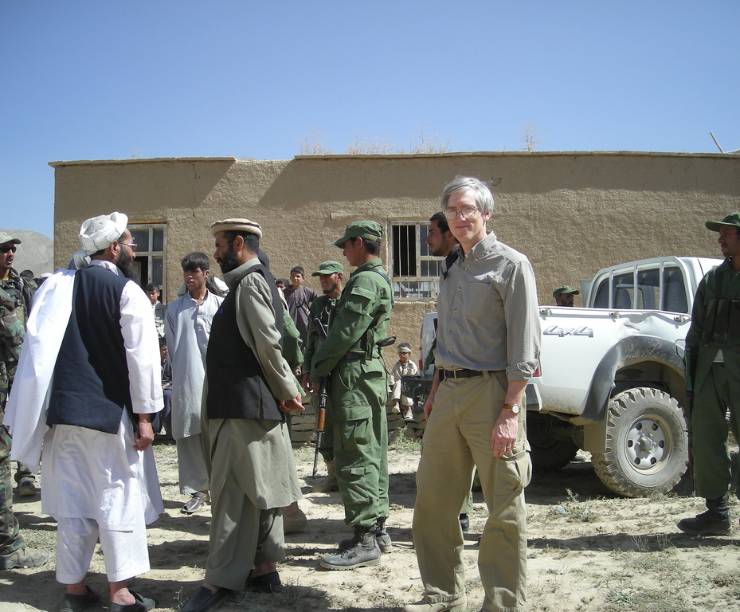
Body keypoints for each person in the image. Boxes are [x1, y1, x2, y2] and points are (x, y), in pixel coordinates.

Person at [4, 212, 163, 611]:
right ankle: (120, 591)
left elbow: (37, 354)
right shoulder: (127, 292)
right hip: (108, 420)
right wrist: (145, 417)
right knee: (117, 499)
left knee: (73, 505)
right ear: (113, 248)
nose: (134, 248)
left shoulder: (56, 287)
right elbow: (141, 361)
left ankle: (75, 590)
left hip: (63, 419)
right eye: (129, 241)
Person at [405, 177, 541, 612]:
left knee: (502, 506)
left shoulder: (511, 265)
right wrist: (435, 391)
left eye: (467, 209)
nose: (459, 217)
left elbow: (525, 346)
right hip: (449, 393)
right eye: (452, 210)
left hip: (493, 393)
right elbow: (448, 338)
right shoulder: (454, 267)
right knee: (434, 501)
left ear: (486, 214)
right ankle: (442, 595)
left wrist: (510, 409)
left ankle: (502, 604)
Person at [181, 218, 303, 612]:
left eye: (218, 245)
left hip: (241, 408)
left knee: (232, 494)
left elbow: (268, 343)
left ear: (238, 242)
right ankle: (263, 568)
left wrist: (288, 390)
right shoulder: (250, 281)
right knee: (258, 489)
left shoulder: (250, 283)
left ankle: (219, 581)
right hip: (247, 406)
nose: (214, 253)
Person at [310, 221, 394, 570]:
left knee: (355, 453)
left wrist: (318, 366)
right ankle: (376, 530)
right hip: (365, 374)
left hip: (353, 378)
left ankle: (365, 540)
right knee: (372, 451)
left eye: (347, 245)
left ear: (361, 243)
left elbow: (344, 332)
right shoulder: (377, 278)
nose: (344, 251)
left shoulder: (365, 280)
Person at [678, 211, 740, 536]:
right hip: (709, 370)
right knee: (705, 437)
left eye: (727, 234)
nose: (720, 239)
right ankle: (717, 513)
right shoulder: (714, 280)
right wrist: (691, 377)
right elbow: (696, 328)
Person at [165, 252, 224, 515]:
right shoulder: (175, 309)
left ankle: (221, 489)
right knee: (189, 435)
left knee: (218, 436)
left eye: (195, 272)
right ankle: (197, 490)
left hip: (216, 381)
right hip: (186, 380)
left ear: (206, 274)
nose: (190, 276)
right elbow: (173, 346)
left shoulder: (220, 305)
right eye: (186, 272)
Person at [0, 233, 38, 498]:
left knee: (24, 415)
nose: (10, 253)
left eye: (12, 249)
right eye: (4, 249)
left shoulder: (20, 284)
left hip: (19, 360)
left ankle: (26, 473)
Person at [302, 260, 344, 493]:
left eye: (327, 276)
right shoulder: (318, 305)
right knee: (324, 421)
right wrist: (309, 371)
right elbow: (311, 342)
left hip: (343, 372)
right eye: (321, 277)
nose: (323, 280)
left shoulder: (348, 302)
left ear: (339, 276)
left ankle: (347, 472)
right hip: (321, 373)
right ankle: (332, 472)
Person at [283, 265, 316, 344]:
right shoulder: (284, 292)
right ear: (290, 277)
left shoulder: (307, 291)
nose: (295, 278)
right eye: (293, 276)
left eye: (298, 276)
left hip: (304, 324)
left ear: (303, 279)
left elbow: (317, 302)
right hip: (290, 324)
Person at [390, 343, 418, 421]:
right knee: (398, 382)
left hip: (409, 384)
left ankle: (409, 410)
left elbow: (415, 376)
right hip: (398, 384)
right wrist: (391, 383)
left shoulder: (412, 365)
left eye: (404, 353)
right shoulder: (397, 365)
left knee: (406, 386)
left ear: (409, 354)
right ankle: (396, 404)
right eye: (400, 353)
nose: (402, 355)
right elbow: (392, 375)